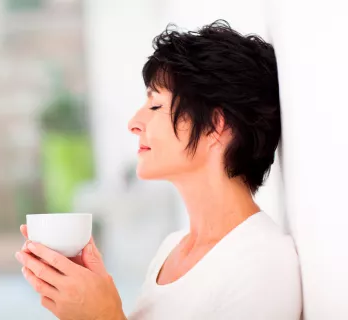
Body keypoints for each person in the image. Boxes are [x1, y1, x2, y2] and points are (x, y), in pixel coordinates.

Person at [15, 20, 302, 320]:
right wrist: (87, 297)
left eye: (155, 106)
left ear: (217, 126)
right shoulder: (171, 249)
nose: (134, 123)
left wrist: (104, 316)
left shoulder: (262, 264)